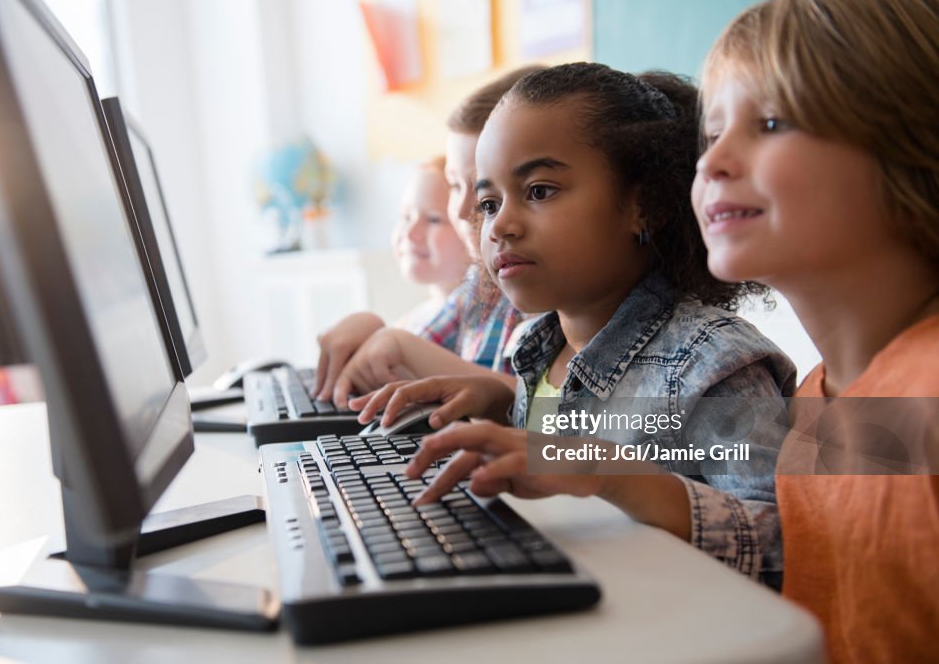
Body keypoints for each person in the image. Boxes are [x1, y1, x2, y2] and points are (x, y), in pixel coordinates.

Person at [358, 62, 795, 587]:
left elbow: (785, 548)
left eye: (539, 191)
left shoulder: (713, 364)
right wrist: (501, 400)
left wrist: (604, 469)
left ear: (645, 205)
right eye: (488, 203)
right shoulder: (534, 352)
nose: (501, 226)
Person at [690, 0, 939, 661]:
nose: (712, 160)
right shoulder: (816, 398)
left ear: (913, 144)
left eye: (770, 124)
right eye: (711, 135)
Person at [314, 66, 544, 408]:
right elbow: (397, 351)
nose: (464, 209)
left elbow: (557, 419)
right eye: (454, 184)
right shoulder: (478, 287)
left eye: (485, 188)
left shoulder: (556, 295)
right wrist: (373, 329)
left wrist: (401, 345)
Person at [391, 156, 470, 333]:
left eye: (434, 219)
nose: (410, 233)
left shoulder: (484, 322)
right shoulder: (408, 325)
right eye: (406, 216)